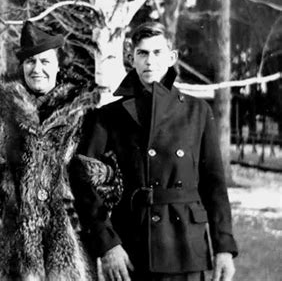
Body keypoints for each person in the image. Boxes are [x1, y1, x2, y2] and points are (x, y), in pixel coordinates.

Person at [73, 22, 238, 281]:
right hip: (132, 248)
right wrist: (108, 244)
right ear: (132, 59)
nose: (150, 61)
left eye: (158, 52)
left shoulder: (197, 113)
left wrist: (224, 247)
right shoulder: (108, 117)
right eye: (142, 53)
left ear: (171, 57)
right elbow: (82, 180)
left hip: (185, 246)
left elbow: (214, 185)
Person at [0, 21, 103, 280]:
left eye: (45, 61)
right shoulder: (0, 110)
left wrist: (107, 244)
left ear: (58, 64)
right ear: (22, 66)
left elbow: (90, 185)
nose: (37, 69)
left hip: (68, 243)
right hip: (11, 245)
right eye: (30, 62)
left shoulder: (82, 113)